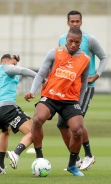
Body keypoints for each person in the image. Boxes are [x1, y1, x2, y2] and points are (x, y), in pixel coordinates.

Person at [24, 27, 90, 177]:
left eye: (77, 42)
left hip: (70, 100)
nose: (73, 44)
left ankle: (72, 165)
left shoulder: (85, 60)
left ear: (81, 42)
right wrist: (32, 91)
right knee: (37, 119)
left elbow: (84, 82)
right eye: (70, 41)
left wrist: (78, 103)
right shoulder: (55, 52)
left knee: (78, 130)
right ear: (66, 39)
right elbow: (41, 72)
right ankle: (39, 157)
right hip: (51, 96)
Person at [58, 10, 108, 171]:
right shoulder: (62, 39)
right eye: (72, 21)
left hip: (85, 87)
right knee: (62, 125)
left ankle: (88, 155)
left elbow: (104, 57)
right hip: (67, 88)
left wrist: (97, 75)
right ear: (67, 23)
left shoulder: (89, 39)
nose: (75, 24)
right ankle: (76, 159)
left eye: (77, 21)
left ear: (81, 22)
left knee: (77, 121)